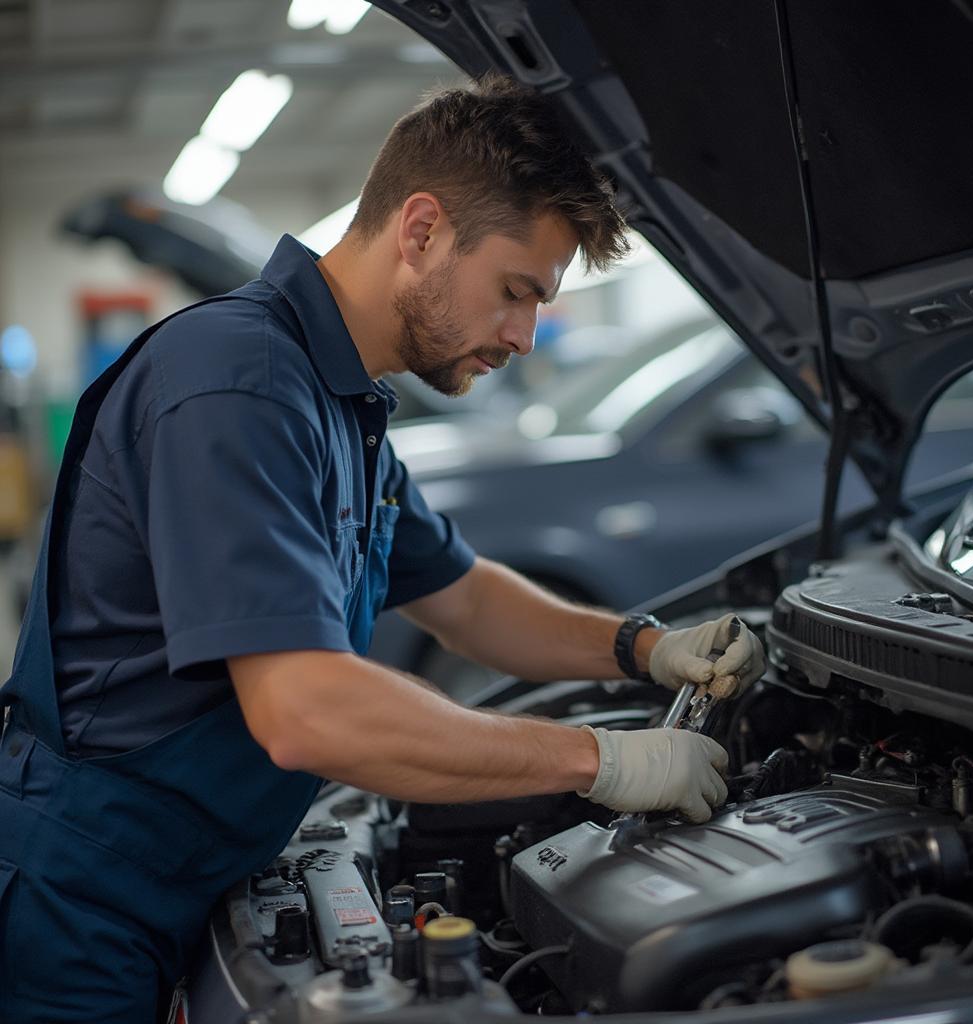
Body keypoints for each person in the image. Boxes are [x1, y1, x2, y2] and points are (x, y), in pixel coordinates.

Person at [0, 74, 765, 1023]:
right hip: (80, 901)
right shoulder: (238, 384)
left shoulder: (339, 403)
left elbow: (467, 597)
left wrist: (646, 646)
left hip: (181, 873)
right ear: (421, 232)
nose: (526, 335)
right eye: (516, 292)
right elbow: (308, 713)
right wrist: (602, 761)